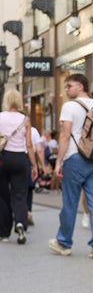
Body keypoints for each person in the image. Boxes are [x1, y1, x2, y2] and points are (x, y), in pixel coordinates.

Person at [48, 73, 93, 258]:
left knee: (70, 202)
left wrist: (58, 162)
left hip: (75, 158)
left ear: (81, 86)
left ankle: (64, 243)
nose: (66, 89)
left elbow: (65, 135)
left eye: (69, 86)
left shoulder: (70, 106)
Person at [0, 88, 37, 244]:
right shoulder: (25, 120)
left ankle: (4, 233)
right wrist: (34, 165)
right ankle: (21, 222)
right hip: (20, 158)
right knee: (20, 193)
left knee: (3, 196)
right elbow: (29, 145)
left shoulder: (0, 117)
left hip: (3, 158)